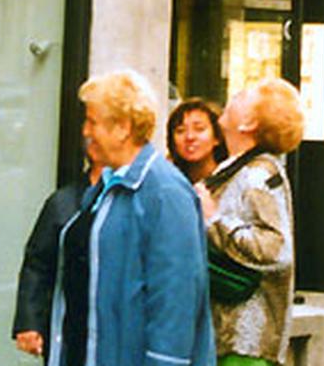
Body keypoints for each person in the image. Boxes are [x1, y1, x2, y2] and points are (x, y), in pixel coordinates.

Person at [47, 70, 215, 366]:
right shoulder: (108, 186)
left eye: (92, 121)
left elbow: (174, 303)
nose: (85, 131)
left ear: (123, 127)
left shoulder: (165, 193)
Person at [194, 78, 304, 366]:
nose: (233, 95)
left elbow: (277, 250)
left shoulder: (257, 175)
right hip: (227, 338)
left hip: (246, 343)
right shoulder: (234, 168)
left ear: (249, 123)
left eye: (242, 95)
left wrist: (213, 219)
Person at [12, 152, 103, 363]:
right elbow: (38, 263)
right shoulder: (63, 202)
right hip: (71, 322)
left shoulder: (135, 199)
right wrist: (29, 321)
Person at [167, 98, 229, 183]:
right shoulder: (168, 179)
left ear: (217, 137)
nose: (189, 137)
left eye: (199, 129)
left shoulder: (231, 180)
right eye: (180, 130)